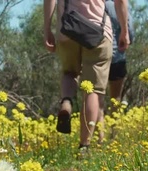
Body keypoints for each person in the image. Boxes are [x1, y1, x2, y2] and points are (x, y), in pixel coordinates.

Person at [43, 0, 130, 151]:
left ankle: (66, 101)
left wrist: (47, 29)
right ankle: (84, 145)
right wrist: (124, 30)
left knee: (69, 73)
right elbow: (120, 2)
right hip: (98, 32)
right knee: (93, 90)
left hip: (67, 29)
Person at [97, 0, 134, 142]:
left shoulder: (96, 5)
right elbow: (130, 31)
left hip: (98, 55)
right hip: (118, 56)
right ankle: (114, 135)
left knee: (98, 98)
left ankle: (99, 138)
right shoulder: (117, 6)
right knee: (116, 99)